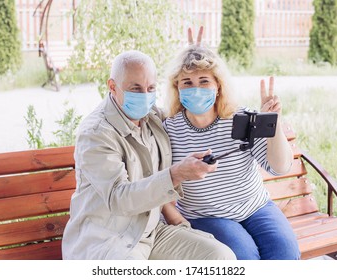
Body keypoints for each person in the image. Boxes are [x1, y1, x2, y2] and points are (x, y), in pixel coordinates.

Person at [61, 48, 236, 260]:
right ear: (112, 87)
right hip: (109, 240)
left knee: (220, 257)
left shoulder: (153, 116)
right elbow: (119, 199)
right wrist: (176, 174)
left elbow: (194, 115)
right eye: (135, 88)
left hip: (153, 233)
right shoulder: (96, 133)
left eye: (150, 88)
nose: (145, 96)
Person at [162, 38, 301, 260]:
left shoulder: (240, 118)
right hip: (206, 215)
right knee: (244, 257)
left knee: (285, 252)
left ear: (218, 86)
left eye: (204, 81)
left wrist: (272, 123)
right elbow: (162, 182)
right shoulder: (169, 129)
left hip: (255, 207)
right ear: (177, 88)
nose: (195, 88)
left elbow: (280, 167)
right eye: (186, 82)